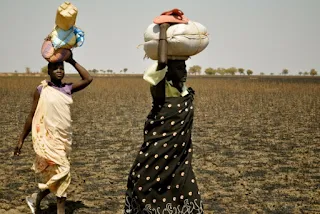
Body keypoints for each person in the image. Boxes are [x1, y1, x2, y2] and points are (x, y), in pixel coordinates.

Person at [124, 23, 204, 213]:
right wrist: (163, 32)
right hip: (157, 153)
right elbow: (161, 62)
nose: (183, 72)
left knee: (187, 194)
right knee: (146, 189)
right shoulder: (159, 89)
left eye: (184, 68)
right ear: (167, 71)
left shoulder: (185, 92)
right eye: (178, 68)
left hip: (179, 159)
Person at [14, 51, 93, 214]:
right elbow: (32, 115)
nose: (59, 70)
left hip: (62, 140)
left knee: (59, 174)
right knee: (64, 172)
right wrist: (21, 139)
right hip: (47, 140)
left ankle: (36, 197)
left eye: (61, 68)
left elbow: (88, 78)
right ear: (48, 71)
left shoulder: (67, 88)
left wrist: (71, 60)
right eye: (55, 68)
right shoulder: (41, 90)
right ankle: (59, 210)